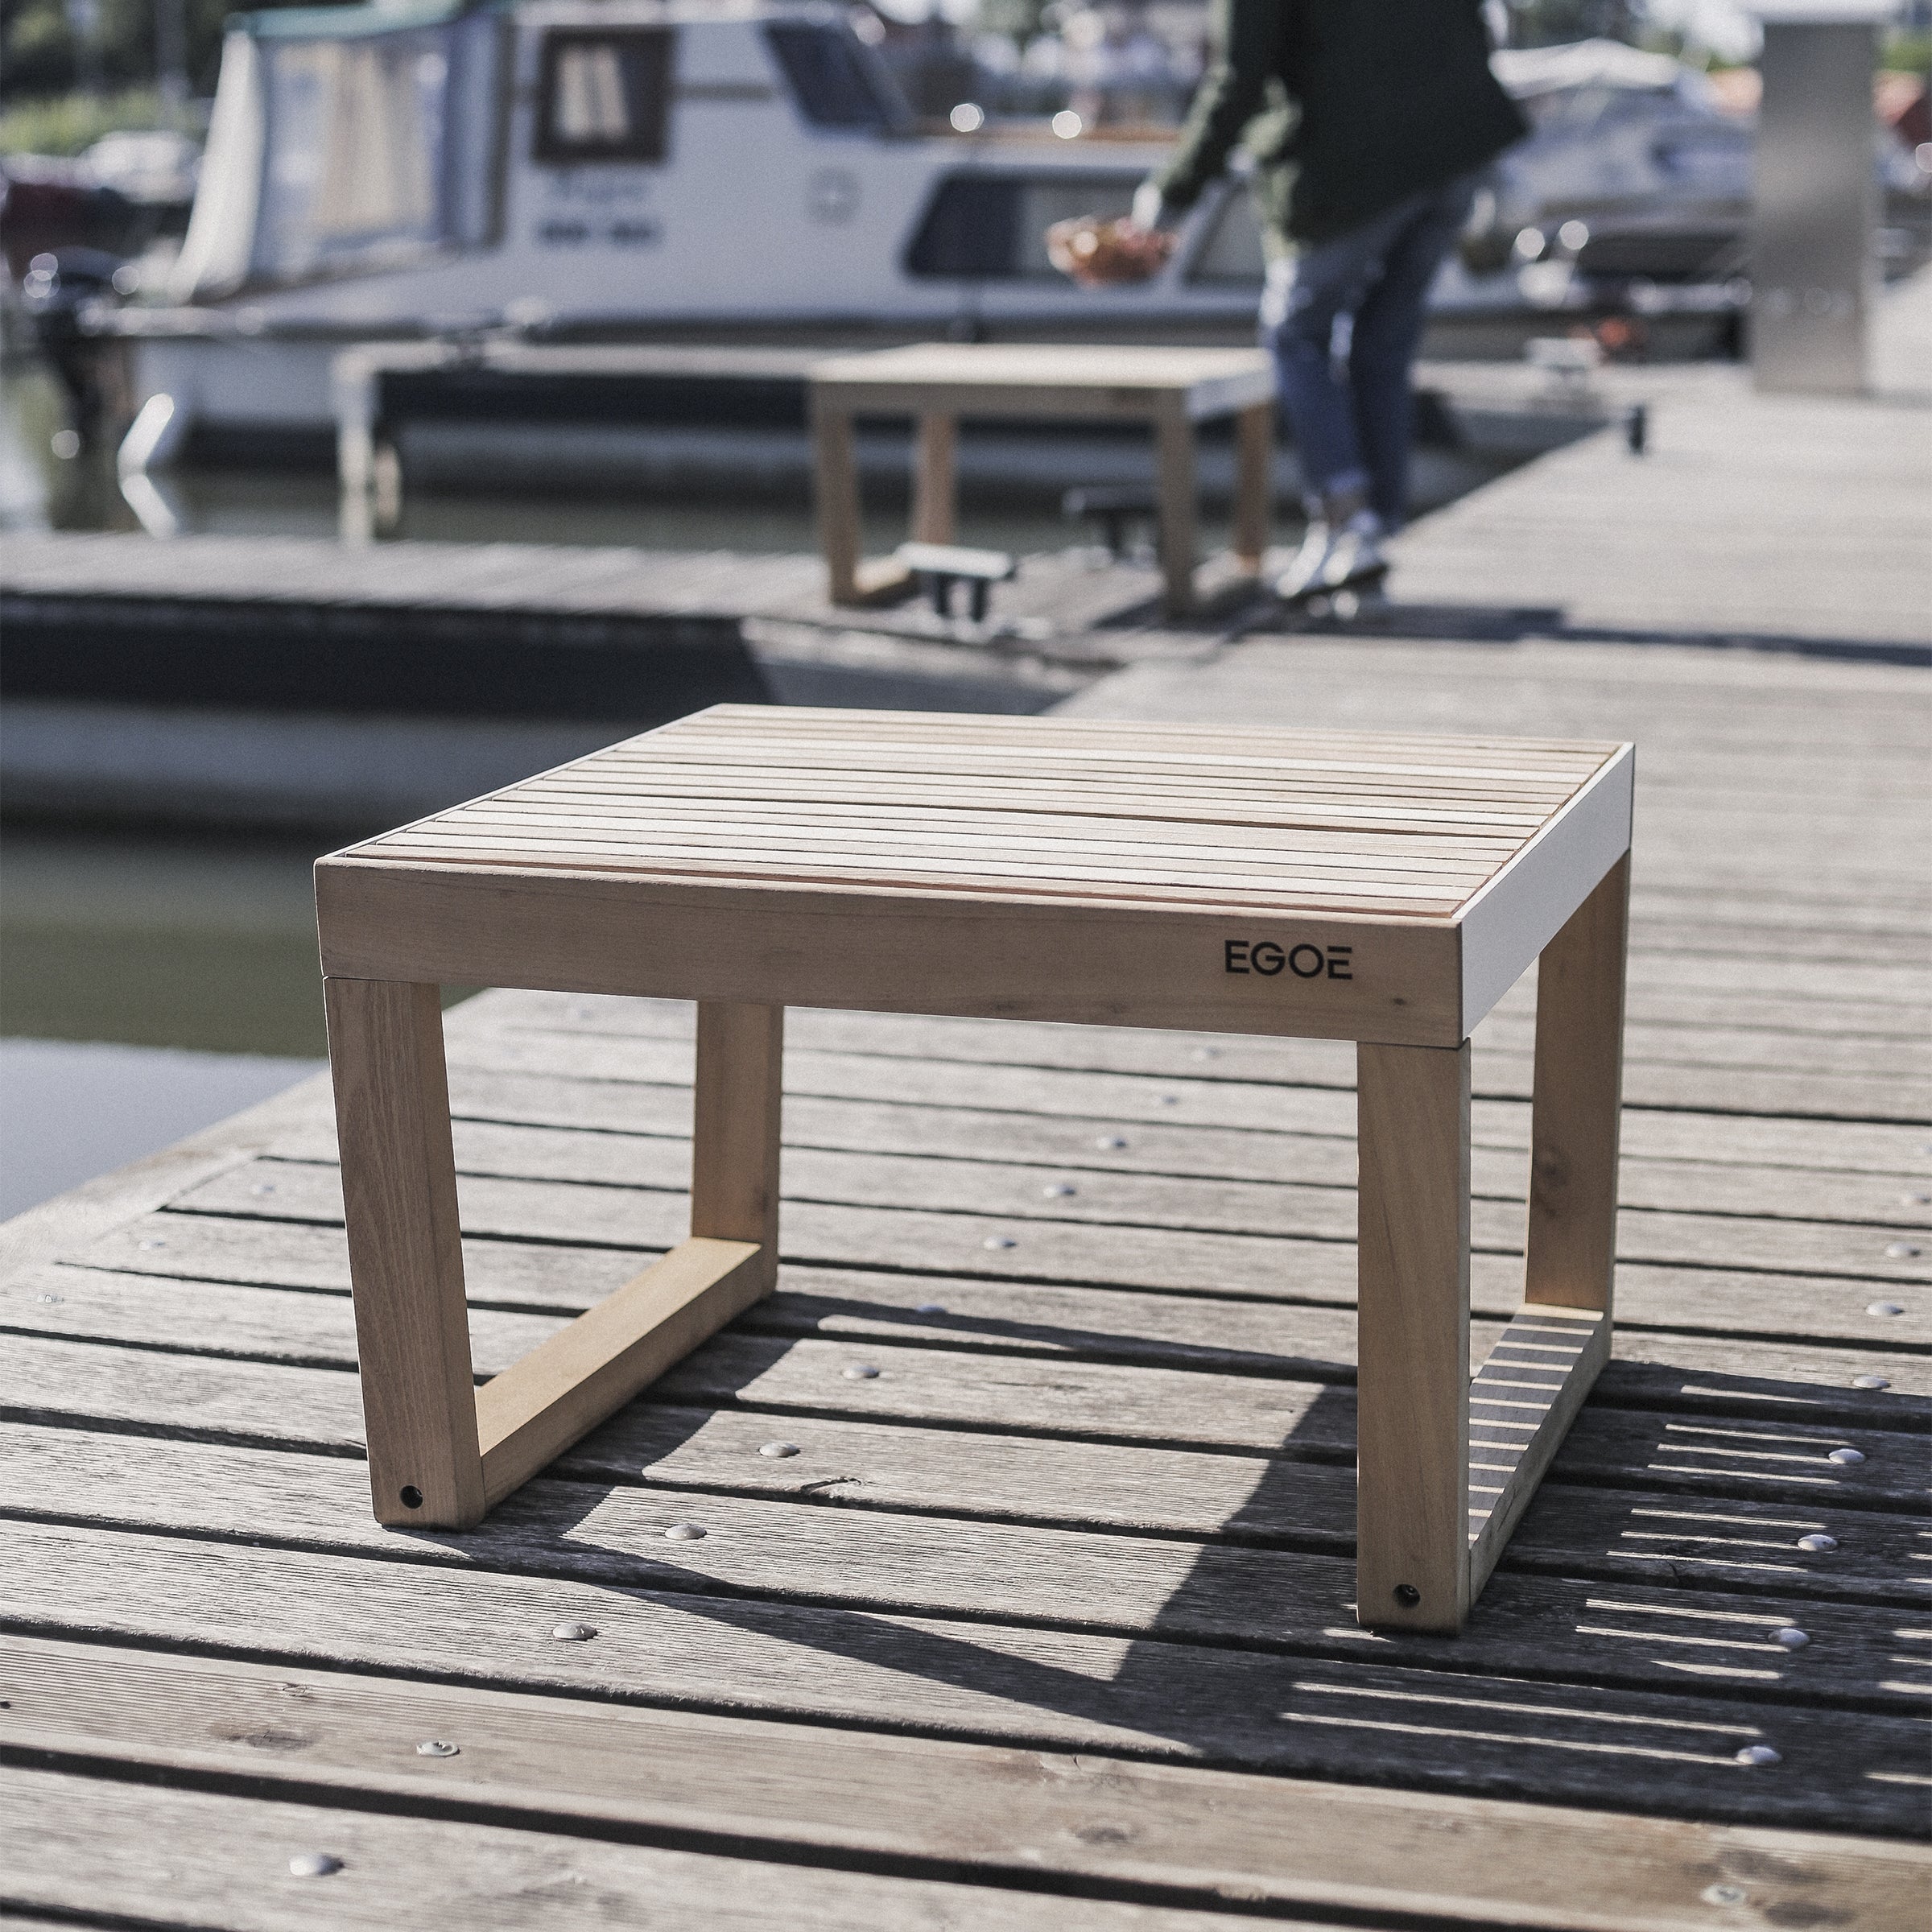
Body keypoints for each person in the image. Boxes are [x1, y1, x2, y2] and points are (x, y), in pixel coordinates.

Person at [1129, 0, 1526, 599]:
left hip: (1352, 164)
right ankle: (1372, 535)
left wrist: (1171, 194)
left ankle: (1347, 520)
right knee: (1383, 344)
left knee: (1295, 335)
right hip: (1453, 156)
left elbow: (1238, 77)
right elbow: (1474, 28)